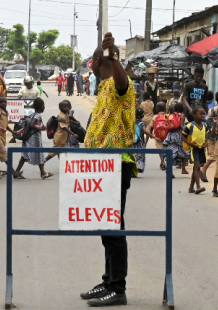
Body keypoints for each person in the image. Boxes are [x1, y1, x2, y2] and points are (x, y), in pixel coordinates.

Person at [78, 33, 134, 306]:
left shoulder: (119, 84)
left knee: (113, 227)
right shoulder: (102, 88)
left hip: (114, 166)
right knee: (104, 225)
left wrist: (113, 57)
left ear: (95, 61)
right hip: (98, 166)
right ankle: (108, 279)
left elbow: (122, 83)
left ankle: (118, 288)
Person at [182, 106, 208, 194]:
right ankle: (198, 187)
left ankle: (191, 187)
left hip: (201, 149)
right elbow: (182, 135)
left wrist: (206, 143)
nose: (202, 115)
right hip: (194, 149)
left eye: (204, 114)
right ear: (194, 115)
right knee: (197, 167)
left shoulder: (204, 125)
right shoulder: (190, 125)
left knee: (195, 168)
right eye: (200, 114)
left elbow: (206, 135)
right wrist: (189, 143)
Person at [201, 91, 218, 179]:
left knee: (213, 153)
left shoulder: (211, 109)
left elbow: (207, 121)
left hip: (210, 133)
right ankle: (204, 169)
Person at [163, 103, 190, 175]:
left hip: (171, 136)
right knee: (185, 152)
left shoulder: (170, 115)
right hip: (179, 135)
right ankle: (183, 169)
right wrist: (188, 129)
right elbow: (181, 126)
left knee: (171, 153)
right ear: (182, 109)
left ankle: (169, 171)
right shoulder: (182, 115)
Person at [132, 108, 153, 174]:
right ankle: (140, 167)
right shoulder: (142, 124)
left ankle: (133, 168)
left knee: (133, 155)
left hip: (133, 142)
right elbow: (145, 131)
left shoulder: (132, 123)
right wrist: (152, 136)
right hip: (140, 142)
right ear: (143, 116)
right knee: (140, 156)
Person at [152, 101, 168, 170]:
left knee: (159, 149)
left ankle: (162, 161)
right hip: (166, 135)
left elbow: (151, 126)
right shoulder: (167, 116)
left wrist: (151, 134)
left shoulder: (155, 116)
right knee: (164, 148)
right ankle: (164, 161)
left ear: (157, 109)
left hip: (158, 136)